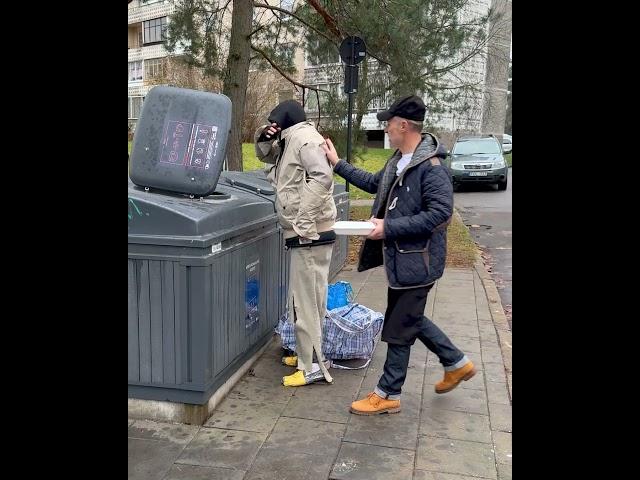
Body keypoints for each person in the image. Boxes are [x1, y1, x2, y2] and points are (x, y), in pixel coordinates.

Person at [321, 95, 476, 414]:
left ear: (403, 125)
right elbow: (372, 184)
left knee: (399, 326)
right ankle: (456, 362)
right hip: (401, 262)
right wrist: (337, 164)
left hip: (419, 262)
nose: (386, 129)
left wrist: (388, 227)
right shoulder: (397, 160)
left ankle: (388, 392)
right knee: (407, 318)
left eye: (389, 123)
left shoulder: (431, 168)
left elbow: (440, 215)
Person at [254, 100, 337, 387]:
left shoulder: (303, 140)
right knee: (302, 300)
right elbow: (270, 160)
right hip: (304, 232)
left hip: (309, 234)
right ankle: (308, 355)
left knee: (308, 302)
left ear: (285, 120)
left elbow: (322, 178)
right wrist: (264, 139)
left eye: (274, 122)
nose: (272, 127)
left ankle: (313, 366)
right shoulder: (292, 138)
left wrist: (304, 221)